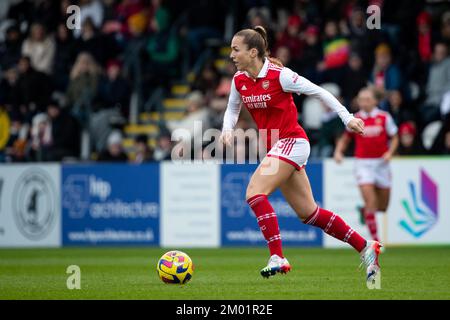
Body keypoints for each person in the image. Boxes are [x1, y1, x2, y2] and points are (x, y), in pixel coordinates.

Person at [220, 26, 382, 284]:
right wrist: (227, 130)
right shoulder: (239, 80)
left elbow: (319, 91)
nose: (231, 55)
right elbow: (231, 109)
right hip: (278, 147)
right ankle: (365, 246)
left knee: (253, 192)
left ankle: (277, 257)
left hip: (293, 142)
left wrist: (347, 118)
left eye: (235, 49)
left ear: (253, 52)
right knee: (309, 213)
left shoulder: (280, 76)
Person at [334, 87, 399, 242]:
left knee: (382, 207)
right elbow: (345, 138)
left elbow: (394, 137)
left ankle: (365, 211)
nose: (363, 102)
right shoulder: (355, 118)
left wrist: (390, 152)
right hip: (363, 164)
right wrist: (338, 151)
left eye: (367, 99)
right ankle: (376, 241)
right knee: (371, 203)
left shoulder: (384, 117)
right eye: (361, 99)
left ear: (375, 101)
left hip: (381, 164)